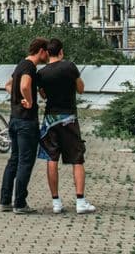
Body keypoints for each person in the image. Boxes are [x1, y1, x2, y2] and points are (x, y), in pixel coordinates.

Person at [37, 38, 96, 214]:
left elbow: (43, 95)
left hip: (50, 118)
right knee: (77, 158)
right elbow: (81, 88)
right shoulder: (69, 67)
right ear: (61, 52)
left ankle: (56, 202)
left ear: (47, 53)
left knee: (51, 158)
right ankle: (80, 202)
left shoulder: (42, 73)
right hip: (69, 117)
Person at [0, 37, 50, 215]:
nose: (47, 56)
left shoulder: (21, 65)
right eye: (46, 53)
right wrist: (27, 100)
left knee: (14, 159)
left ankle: (5, 200)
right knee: (25, 162)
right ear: (41, 51)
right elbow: (25, 85)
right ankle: (19, 203)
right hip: (27, 122)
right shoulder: (29, 67)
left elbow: (8, 85)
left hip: (14, 119)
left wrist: (16, 98)